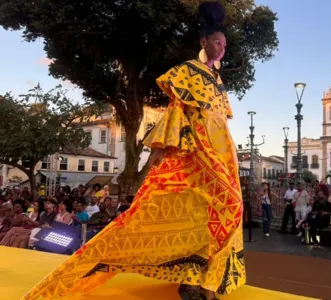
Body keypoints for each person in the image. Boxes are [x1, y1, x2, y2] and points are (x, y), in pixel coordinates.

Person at [22, 3, 245, 300]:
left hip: (221, 154)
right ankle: (197, 278)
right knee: (228, 206)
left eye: (225, 43)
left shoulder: (217, 81)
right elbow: (178, 112)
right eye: (218, 41)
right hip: (199, 153)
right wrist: (162, 151)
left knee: (212, 212)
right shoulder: (187, 72)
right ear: (203, 42)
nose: (223, 47)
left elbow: (219, 121)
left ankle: (199, 279)